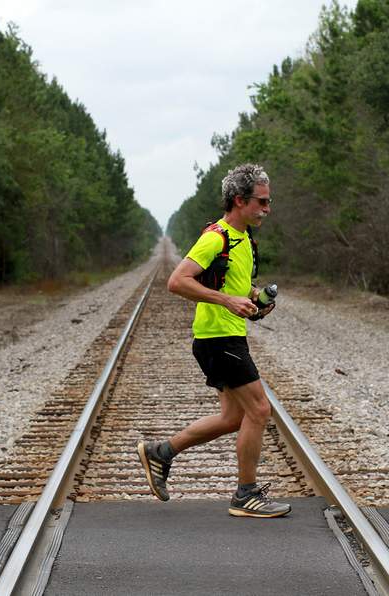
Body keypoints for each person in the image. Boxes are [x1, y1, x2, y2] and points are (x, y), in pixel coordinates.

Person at [136, 163, 290, 518]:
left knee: (233, 417)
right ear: (239, 200)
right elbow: (177, 281)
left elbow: (233, 287)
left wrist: (252, 300)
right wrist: (227, 301)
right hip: (218, 339)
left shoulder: (245, 240)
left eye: (268, 202)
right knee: (260, 410)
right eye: (261, 202)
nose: (267, 208)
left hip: (228, 335)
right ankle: (246, 495)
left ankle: (161, 452)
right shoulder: (215, 237)